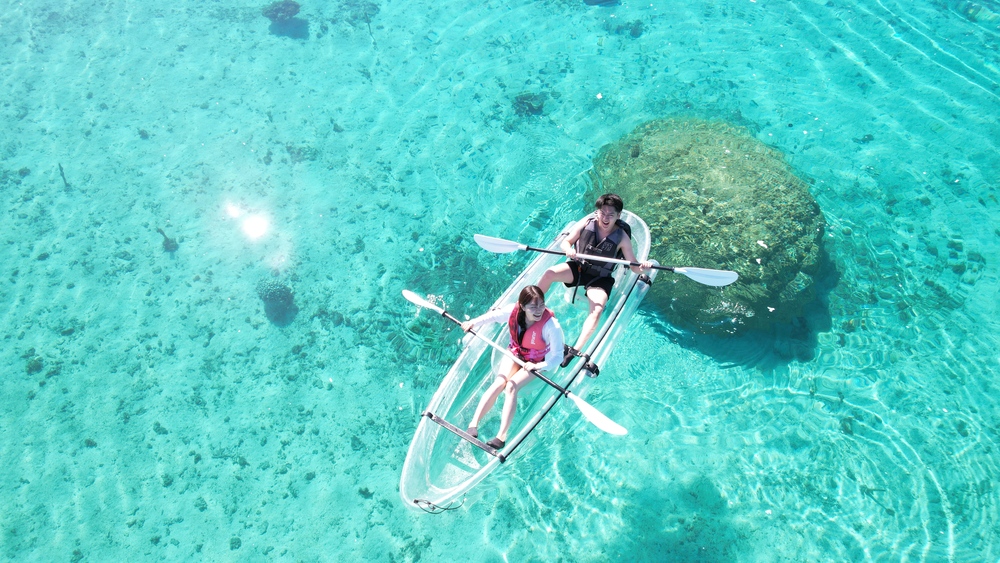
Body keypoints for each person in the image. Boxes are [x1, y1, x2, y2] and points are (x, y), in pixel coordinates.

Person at [537, 193, 652, 368]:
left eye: (610, 215)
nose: (605, 218)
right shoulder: (586, 224)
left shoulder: (622, 237)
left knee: (597, 310)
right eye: (602, 213)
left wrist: (643, 266)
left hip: (600, 278)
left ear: (618, 216)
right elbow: (566, 242)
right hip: (580, 268)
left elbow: (634, 267)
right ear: (597, 212)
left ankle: (573, 350)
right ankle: (530, 306)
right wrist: (569, 249)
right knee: (549, 273)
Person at [461, 285, 564, 450]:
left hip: (536, 361)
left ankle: (501, 436)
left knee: (511, 386)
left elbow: (558, 356)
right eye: (533, 307)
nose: (538, 310)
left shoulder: (552, 325)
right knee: (499, 382)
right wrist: (472, 322)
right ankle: (473, 424)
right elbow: (493, 316)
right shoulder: (513, 311)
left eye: (541, 305)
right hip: (515, 353)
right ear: (522, 307)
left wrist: (539, 366)